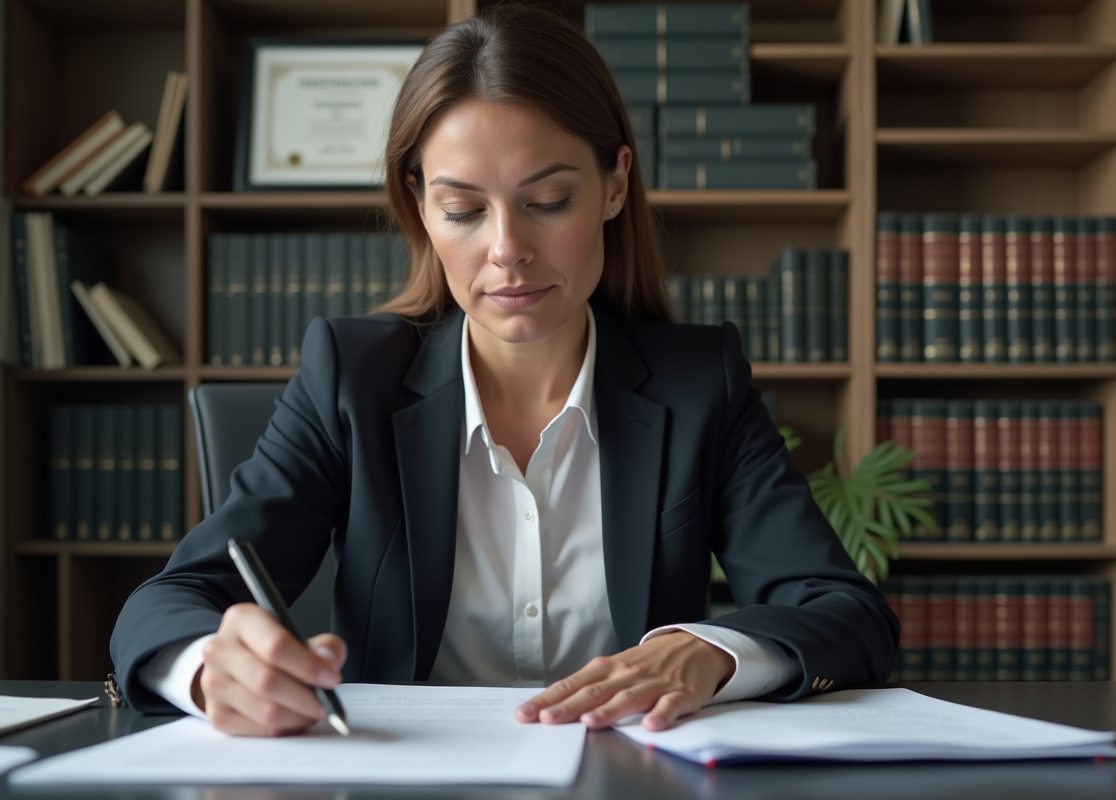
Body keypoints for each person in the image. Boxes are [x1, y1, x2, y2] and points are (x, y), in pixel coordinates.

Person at [111, 4, 898, 737]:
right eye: (463, 210)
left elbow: (845, 613)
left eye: (548, 200)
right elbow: (168, 603)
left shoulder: (701, 386)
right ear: (419, 205)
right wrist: (213, 669)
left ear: (615, 184)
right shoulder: (350, 378)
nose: (506, 249)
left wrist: (710, 651)